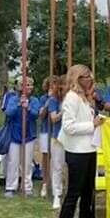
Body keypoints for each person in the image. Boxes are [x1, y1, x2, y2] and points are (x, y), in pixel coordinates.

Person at [55, 64, 104, 218]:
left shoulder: (85, 97)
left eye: (90, 76)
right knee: (73, 195)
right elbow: (69, 127)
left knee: (88, 191)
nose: (90, 79)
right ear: (76, 78)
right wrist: (92, 124)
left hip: (89, 149)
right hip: (76, 151)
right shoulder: (71, 98)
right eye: (86, 76)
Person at [4, 77, 41, 198]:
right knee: (13, 162)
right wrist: (19, 104)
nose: (29, 87)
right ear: (20, 86)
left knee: (27, 162)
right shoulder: (13, 99)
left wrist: (28, 107)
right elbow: (9, 113)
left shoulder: (34, 100)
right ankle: (11, 187)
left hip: (29, 135)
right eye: (27, 85)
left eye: (31, 85)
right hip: (15, 134)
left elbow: (36, 115)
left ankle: (27, 186)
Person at [47, 75, 67, 209]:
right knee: (57, 167)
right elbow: (53, 118)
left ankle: (70, 192)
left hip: (72, 138)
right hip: (58, 138)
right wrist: (63, 111)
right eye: (65, 84)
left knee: (72, 167)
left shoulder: (76, 98)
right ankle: (57, 195)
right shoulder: (54, 100)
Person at [38, 76, 55, 197]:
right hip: (46, 130)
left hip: (57, 131)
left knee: (58, 157)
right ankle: (45, 182)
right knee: (46, 157)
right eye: (51, 85)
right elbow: (41, 115)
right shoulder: (43, 98)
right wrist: (49, 100)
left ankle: (56, 183)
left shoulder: (61, 98)